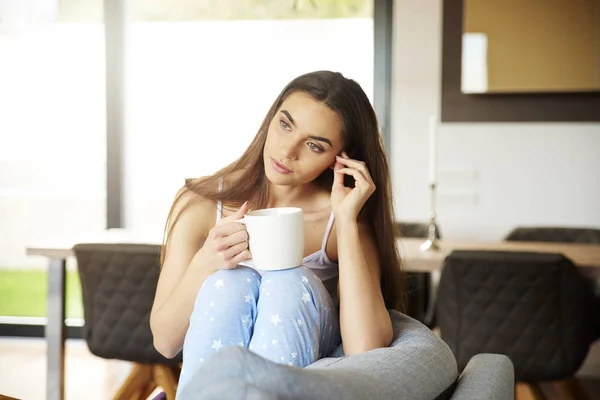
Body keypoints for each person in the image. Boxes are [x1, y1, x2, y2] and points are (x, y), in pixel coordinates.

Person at [149, 70, 405, 396]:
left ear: (337, 160)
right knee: (231, 280)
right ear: (271, 119)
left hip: (304, 351)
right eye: (285, 125)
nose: (287, 152)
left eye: (314, 145)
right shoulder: (200, 202)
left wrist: (345, 219)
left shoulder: (341, 220)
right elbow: (165, 342)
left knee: (287, 279)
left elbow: (366, 349)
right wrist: (206, 262)